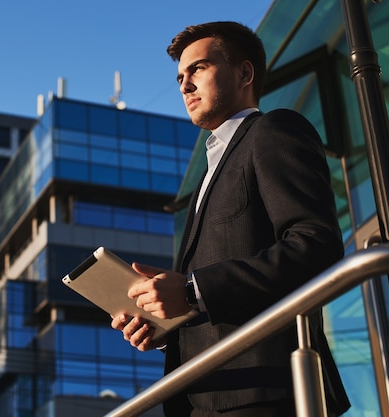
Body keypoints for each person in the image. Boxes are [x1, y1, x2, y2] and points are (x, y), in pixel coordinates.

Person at [111, 21, 350, 417]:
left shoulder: (273, 131)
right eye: (180, 78)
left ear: (244, 73)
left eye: (198, 69)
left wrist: (191, 290)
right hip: (201, 395)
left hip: (266, 394)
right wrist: (168, 320)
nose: (185, 86)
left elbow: (316, 244)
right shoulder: (209, 171)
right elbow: (220, 295)